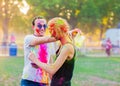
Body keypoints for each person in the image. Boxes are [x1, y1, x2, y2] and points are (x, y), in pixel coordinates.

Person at [29, 17, 76, 86]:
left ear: (58, 30)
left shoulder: (67, 47)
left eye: (52, 31)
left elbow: (52, 69)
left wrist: (35, 60)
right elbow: (56, 70)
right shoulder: (61, 45)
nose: (52, 34)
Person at [20, 16, 56, 86]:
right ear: (33, 27)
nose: (42, 28)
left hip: (44, 82)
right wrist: (60, 36)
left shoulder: (50, 42)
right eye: (39, 26)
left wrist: (51, 80)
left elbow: (50, 63)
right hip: (29, 81)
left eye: (44, 26)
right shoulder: (29, 38)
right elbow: (41, 40)